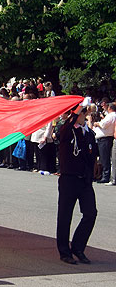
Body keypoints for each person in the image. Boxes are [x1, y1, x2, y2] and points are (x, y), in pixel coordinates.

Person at [56, 98, 98, 264]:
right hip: (69, 179)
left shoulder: (88, 133)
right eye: (82, 112)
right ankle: (64, 252)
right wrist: (78, 107)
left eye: (85, 112)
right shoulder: (67, 130)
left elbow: (91, 155)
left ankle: (78, 247)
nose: (84, 115)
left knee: (90, 213)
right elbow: (66, 127)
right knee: (65, 216)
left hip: (84, 181)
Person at [92, 103, 116, 183]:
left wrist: (97, 123)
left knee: (105, 158)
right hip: (104, 138)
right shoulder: (111, 115)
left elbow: (103, 125)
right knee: (103, 158)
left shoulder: (111, 115)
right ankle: (103, 175)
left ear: (109, 108)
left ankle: (105, 176)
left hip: (105, 138)